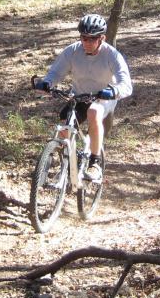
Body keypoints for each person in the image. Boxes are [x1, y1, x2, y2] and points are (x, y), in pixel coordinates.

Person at [32, 13, 132, 182]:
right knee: (64, 124)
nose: (86, 43)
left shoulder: (112, 55)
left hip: (104, 98)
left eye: (92, 39)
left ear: (102, 38)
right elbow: (56, 72)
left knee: (93, 112)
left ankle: (95, 162)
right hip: (80, 96)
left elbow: (126, 84)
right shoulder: (73, 51)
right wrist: (47, 83)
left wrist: (114, 91)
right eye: (84, 38)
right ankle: (66, 161)